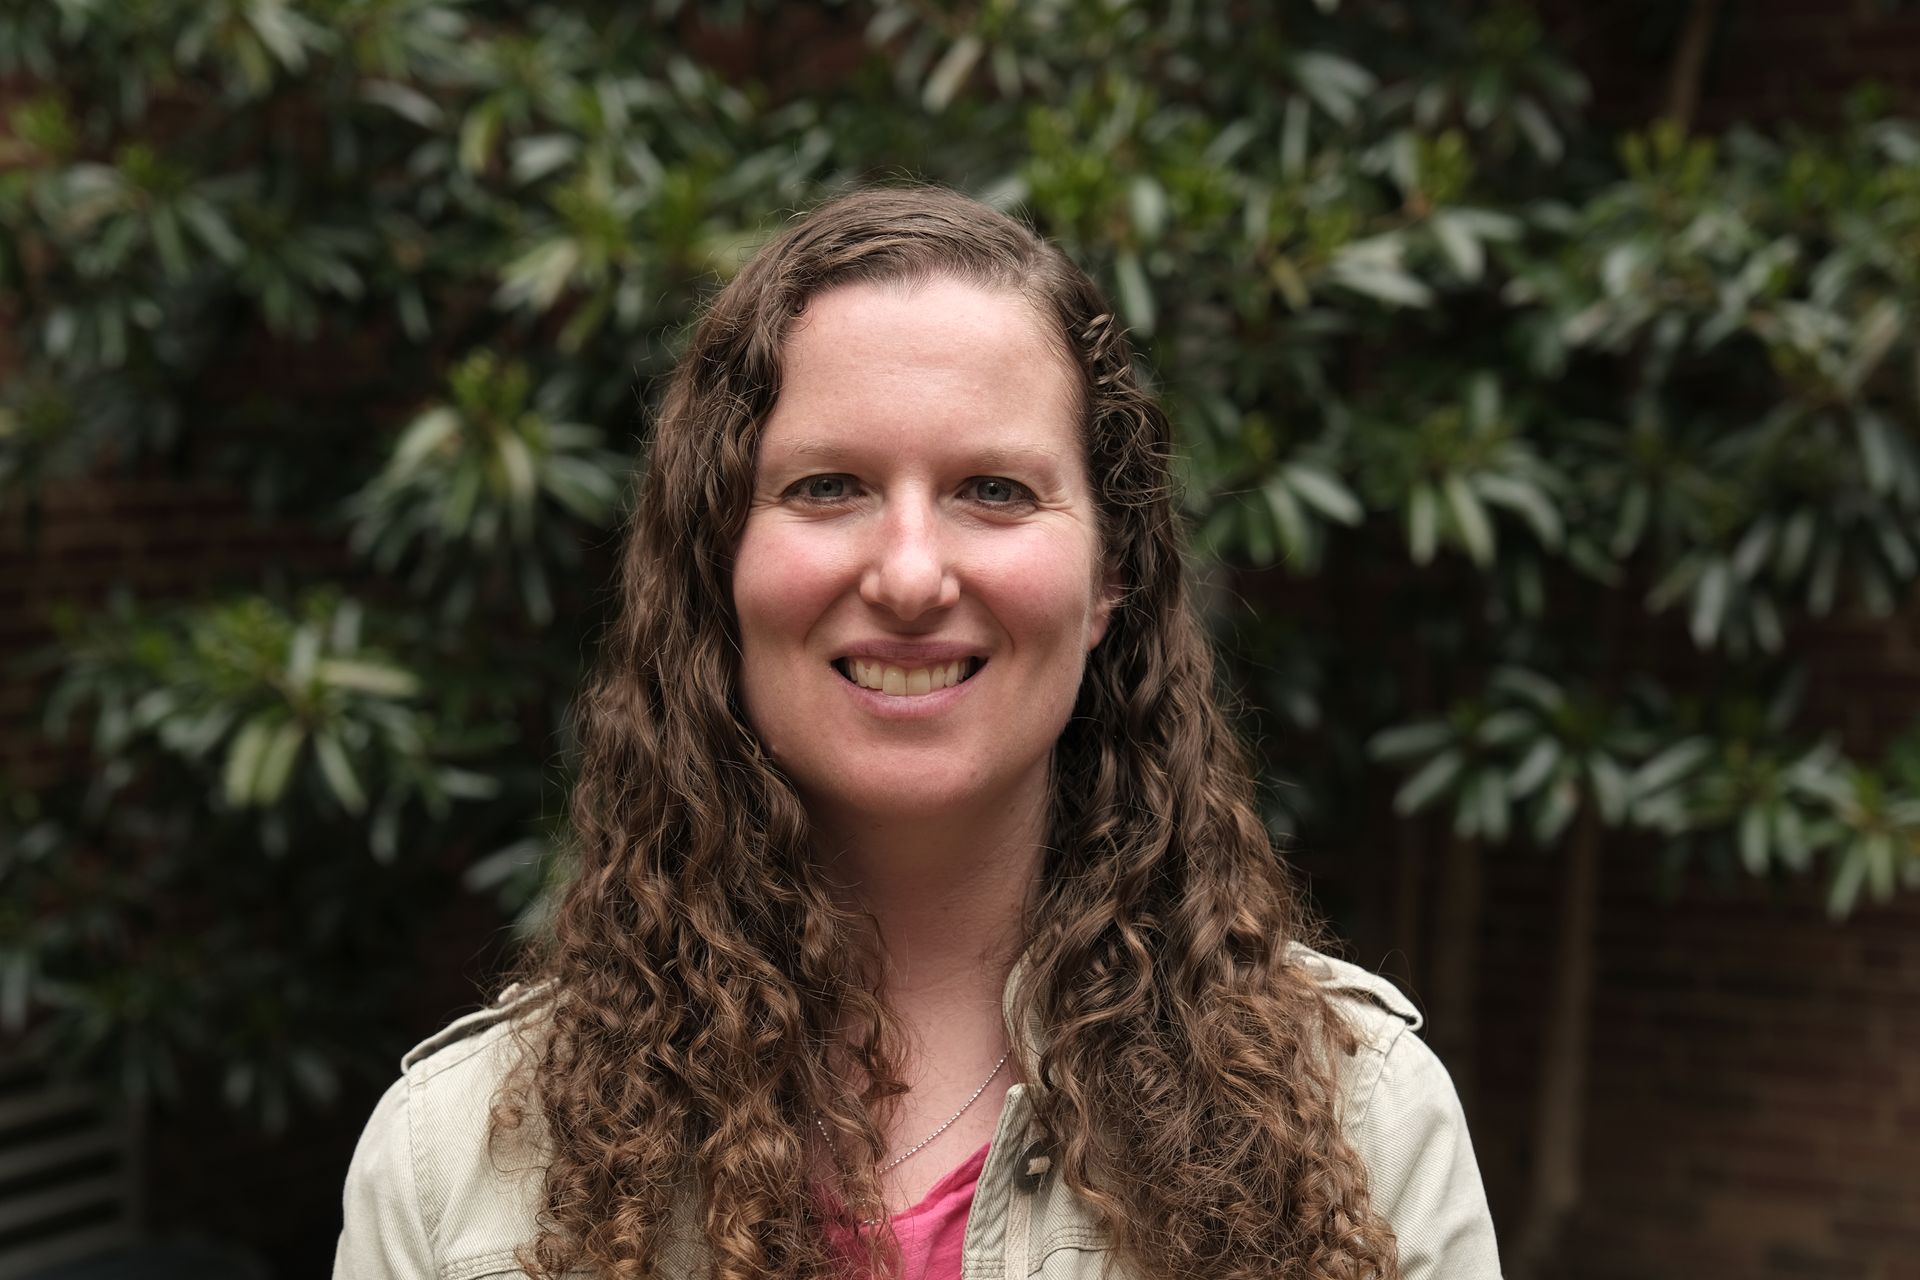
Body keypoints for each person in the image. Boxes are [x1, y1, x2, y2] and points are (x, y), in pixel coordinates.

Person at [333, 185, 1501, 1280]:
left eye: (993, 489)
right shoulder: (457, 1161)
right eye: (827, 486)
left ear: (1111, 578)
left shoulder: (1358, 1117)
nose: (907, 574)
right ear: (716, 564)